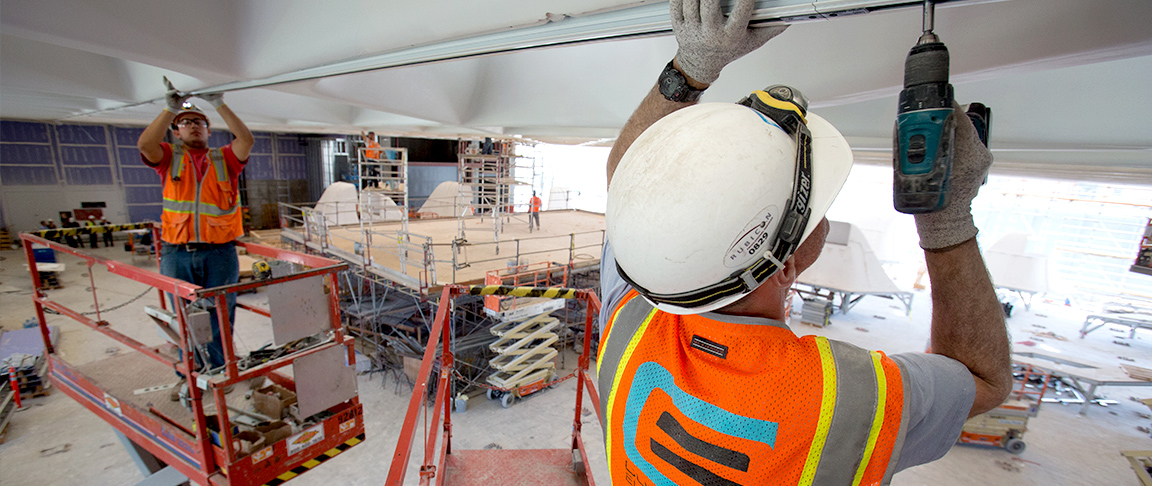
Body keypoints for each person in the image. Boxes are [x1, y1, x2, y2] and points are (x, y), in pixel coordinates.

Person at [596, 0, 1011, 484]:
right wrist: (947, 219)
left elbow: (630, 189)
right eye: (816, 206)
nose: (826, 211)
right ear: (784, 265)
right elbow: (982, 379)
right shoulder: (847, 397)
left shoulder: (632, 327)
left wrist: (688, 71)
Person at [137, 79, 253, 400]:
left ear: (208, 130)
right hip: (177, 252)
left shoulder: (224, 160)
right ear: (176, 132)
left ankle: (216, 372)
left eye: (199, 122)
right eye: (186, 123)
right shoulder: (169, 158)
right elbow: (145, 144)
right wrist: (169, 109)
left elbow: (246, 139)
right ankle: (188, 372)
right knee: (184, 316)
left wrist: (218, 104)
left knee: (220, 314)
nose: (193, 126)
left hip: (219, 253)